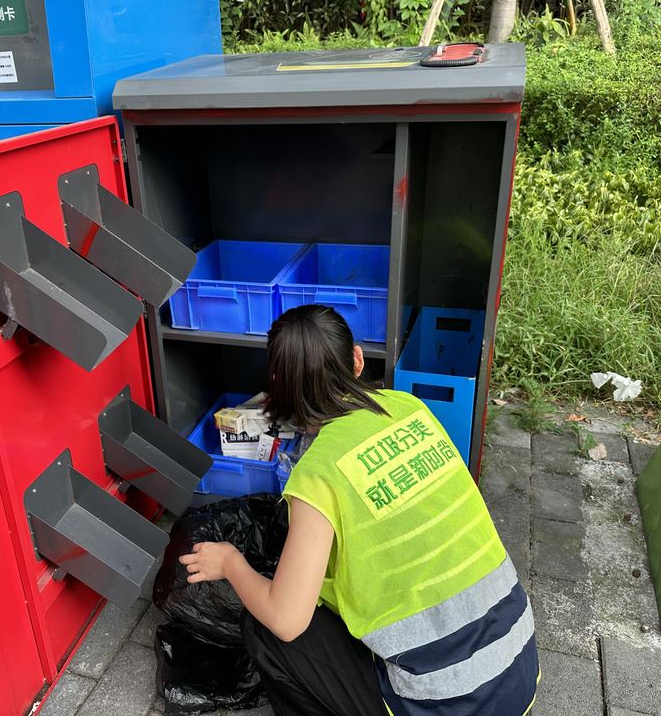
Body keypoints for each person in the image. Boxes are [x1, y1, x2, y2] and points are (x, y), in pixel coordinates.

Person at [180, 305, 539, 716]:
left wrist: (230, 562)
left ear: (279, 387)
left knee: (264, 630)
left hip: (449, 703)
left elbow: (286, 618)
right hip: (516, 669)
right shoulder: (409, 409)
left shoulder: (318, 474)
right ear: (356, 359)